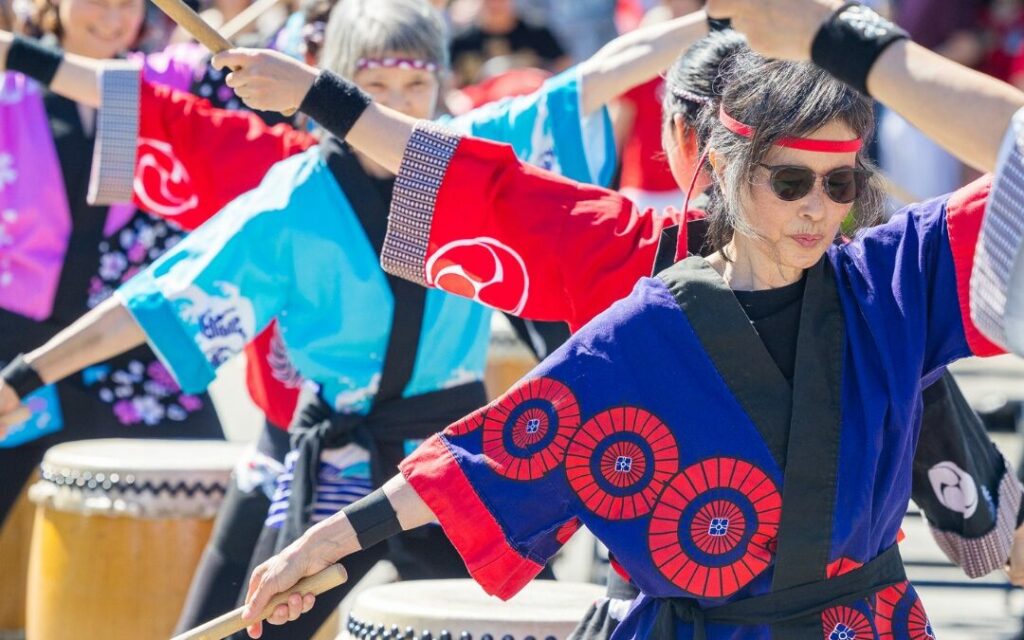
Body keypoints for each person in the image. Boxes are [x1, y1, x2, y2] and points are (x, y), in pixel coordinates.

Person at [186, 1, 1024, 636]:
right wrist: (325, 542)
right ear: (718, 164)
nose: (820, 207)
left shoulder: (890, 282)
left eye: (840, 184)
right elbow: (496, 447)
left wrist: (845, 39)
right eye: (791, 182)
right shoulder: (642, 309)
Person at [0, 4, 714, 636]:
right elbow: (153, 299)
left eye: (415, 86)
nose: (396, 104)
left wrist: (726, 18)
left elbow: (602, 73)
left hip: (448, 458)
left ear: (439, 84)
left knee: (533, 628)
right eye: (373, 89)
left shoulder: (466, 158)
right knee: (246, 621)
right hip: (336, 455)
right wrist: (27, 373)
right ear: (335, 90)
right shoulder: (292, 193)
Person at [0, 0, 223, 525]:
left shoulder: (159, 83)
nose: (112, 15)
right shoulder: (9, 87)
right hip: (16, 337)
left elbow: (243, 73)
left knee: (212, 485)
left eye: (128, 3)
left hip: (123, 341)